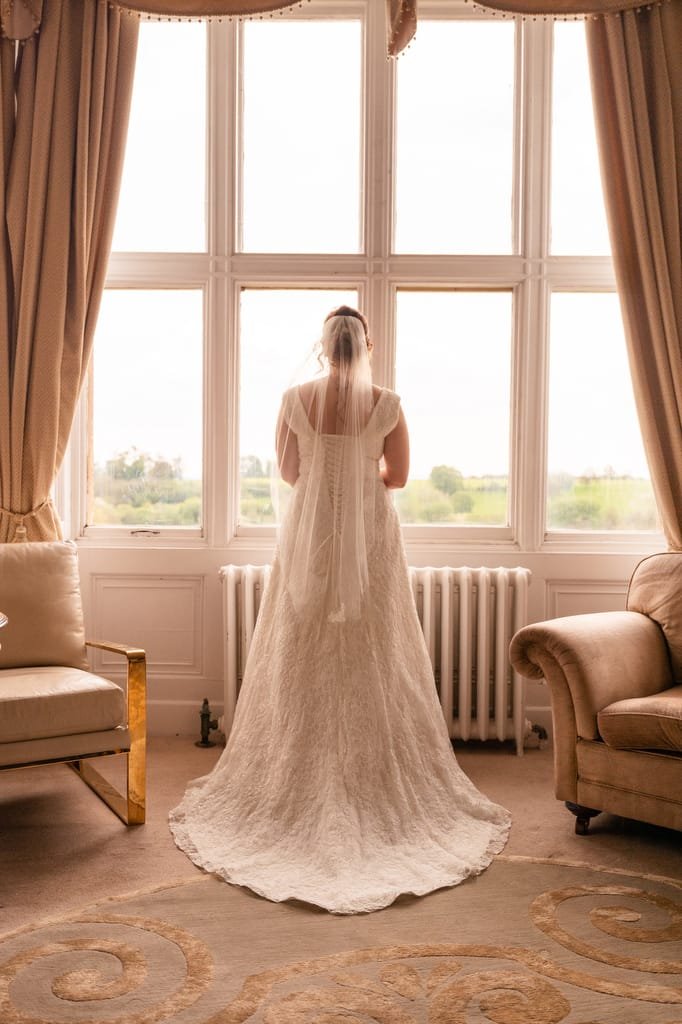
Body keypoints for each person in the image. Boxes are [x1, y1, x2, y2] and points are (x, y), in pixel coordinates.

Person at [169, 306, 511, 914]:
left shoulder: (295, 398)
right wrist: (360, 475)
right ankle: (374, 783)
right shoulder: (388, 403)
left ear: (324, 348)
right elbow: (398, 476)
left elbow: (288, 470)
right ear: (367, 346)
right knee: (376, 652)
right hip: (369, 541)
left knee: (299, 649)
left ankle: (290, 778)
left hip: (308, 540)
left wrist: (329, 479)